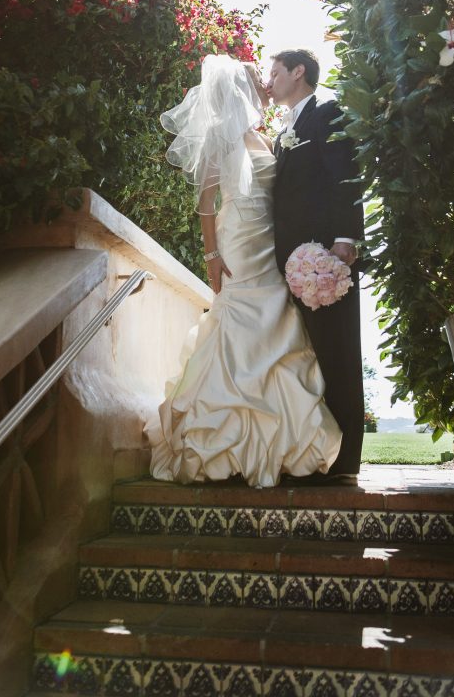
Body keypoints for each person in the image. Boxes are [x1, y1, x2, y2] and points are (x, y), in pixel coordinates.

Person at [145, 53, 342, 488]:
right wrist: (212, 257)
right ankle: (220, 444)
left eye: (269, 78)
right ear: (241, 91)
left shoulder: (267, 136)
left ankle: (281, 445)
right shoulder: (221, 137)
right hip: (237, 239)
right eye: (260, 81)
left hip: (269, 242)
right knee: (235, 320)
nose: (267, 86)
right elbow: (205, 205)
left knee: (276, 324)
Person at [267, 49, 364, 484]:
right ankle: (315, 451)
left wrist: (345, 239)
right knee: (308, 355)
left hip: (325, 258)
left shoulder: (327, 112)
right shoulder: (285, 127)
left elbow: (345, 174)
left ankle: (345, 461)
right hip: (290, 261)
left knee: (337, 351)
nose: (269, 80)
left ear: (298, 72)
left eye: (275, 72)